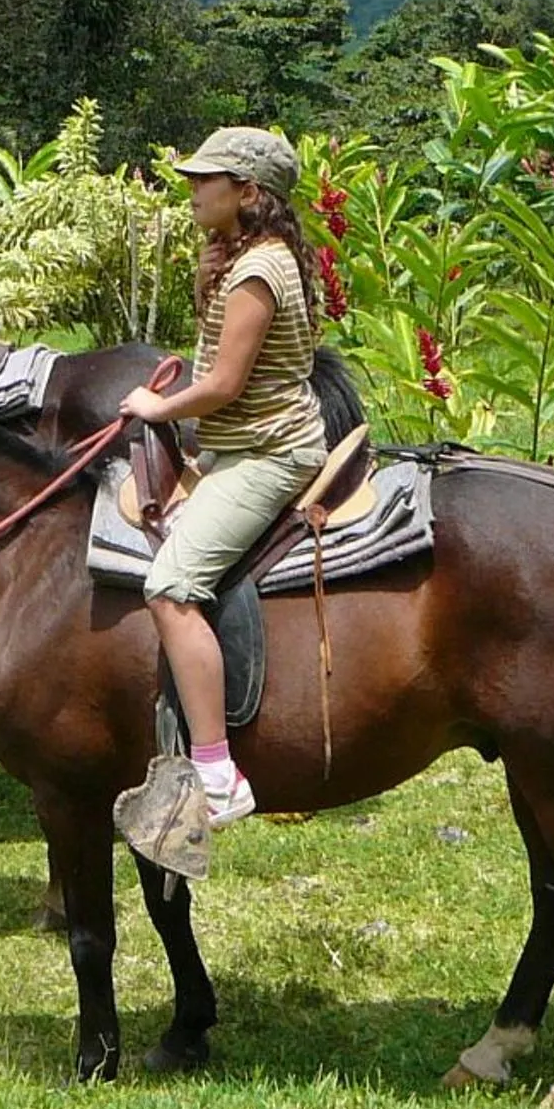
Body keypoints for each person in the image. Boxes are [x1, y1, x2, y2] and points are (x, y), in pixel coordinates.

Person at [116, 127, 327, 828]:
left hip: (267, 454)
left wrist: (158, 406)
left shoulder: (259, 270)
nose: (193, 187)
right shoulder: (246, 259)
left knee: (171, 589)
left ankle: (217, 772)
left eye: (209, 178)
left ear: (250, 193)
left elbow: (225, 385)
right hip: (238, 447)